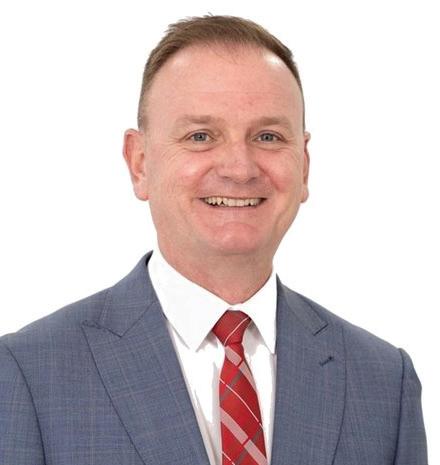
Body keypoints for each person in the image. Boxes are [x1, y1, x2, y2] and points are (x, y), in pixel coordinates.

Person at [0, 14, 428, 465]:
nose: (239, 168)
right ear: (139, 163)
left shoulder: (384, 382)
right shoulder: (29, 373)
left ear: (303, 166)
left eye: (268, 136)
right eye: (201, 136)